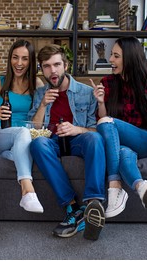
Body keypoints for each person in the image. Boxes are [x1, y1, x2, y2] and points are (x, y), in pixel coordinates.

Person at [90, 37, 147, 218]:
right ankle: (141, 187)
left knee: (107, 122)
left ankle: (114, 187)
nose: (110, 60)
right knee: (122, 152)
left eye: (116, 56)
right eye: (111, 55)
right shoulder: (108, 82)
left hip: (146, 140)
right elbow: (101, 121)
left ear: (130, 58)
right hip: (119, 143)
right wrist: (100, 102)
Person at [28, 44, 106, 240]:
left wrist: (76, 129)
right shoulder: (40, 93)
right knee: (37, 144)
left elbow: (97, 129)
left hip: (78, 140)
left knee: (95, 138)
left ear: (66, 65)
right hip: (53, 142)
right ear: (42, 69)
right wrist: (44, 104)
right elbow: (34, 129)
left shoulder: (86, 92)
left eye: (56, 64)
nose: (52, 70)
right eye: (47, 66)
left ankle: (92, 205)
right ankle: (73, 209)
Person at [0, 39, 45, 213]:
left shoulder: (38, 84)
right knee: (23, 133)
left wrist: (43, 105)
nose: (19, 63)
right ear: (10, 59)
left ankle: (8, 155)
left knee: (23, 143)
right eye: (15, 57)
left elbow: (38, 122)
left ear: (31, 61)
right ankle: (27, 190)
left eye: (25, 59)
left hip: (24, 137)